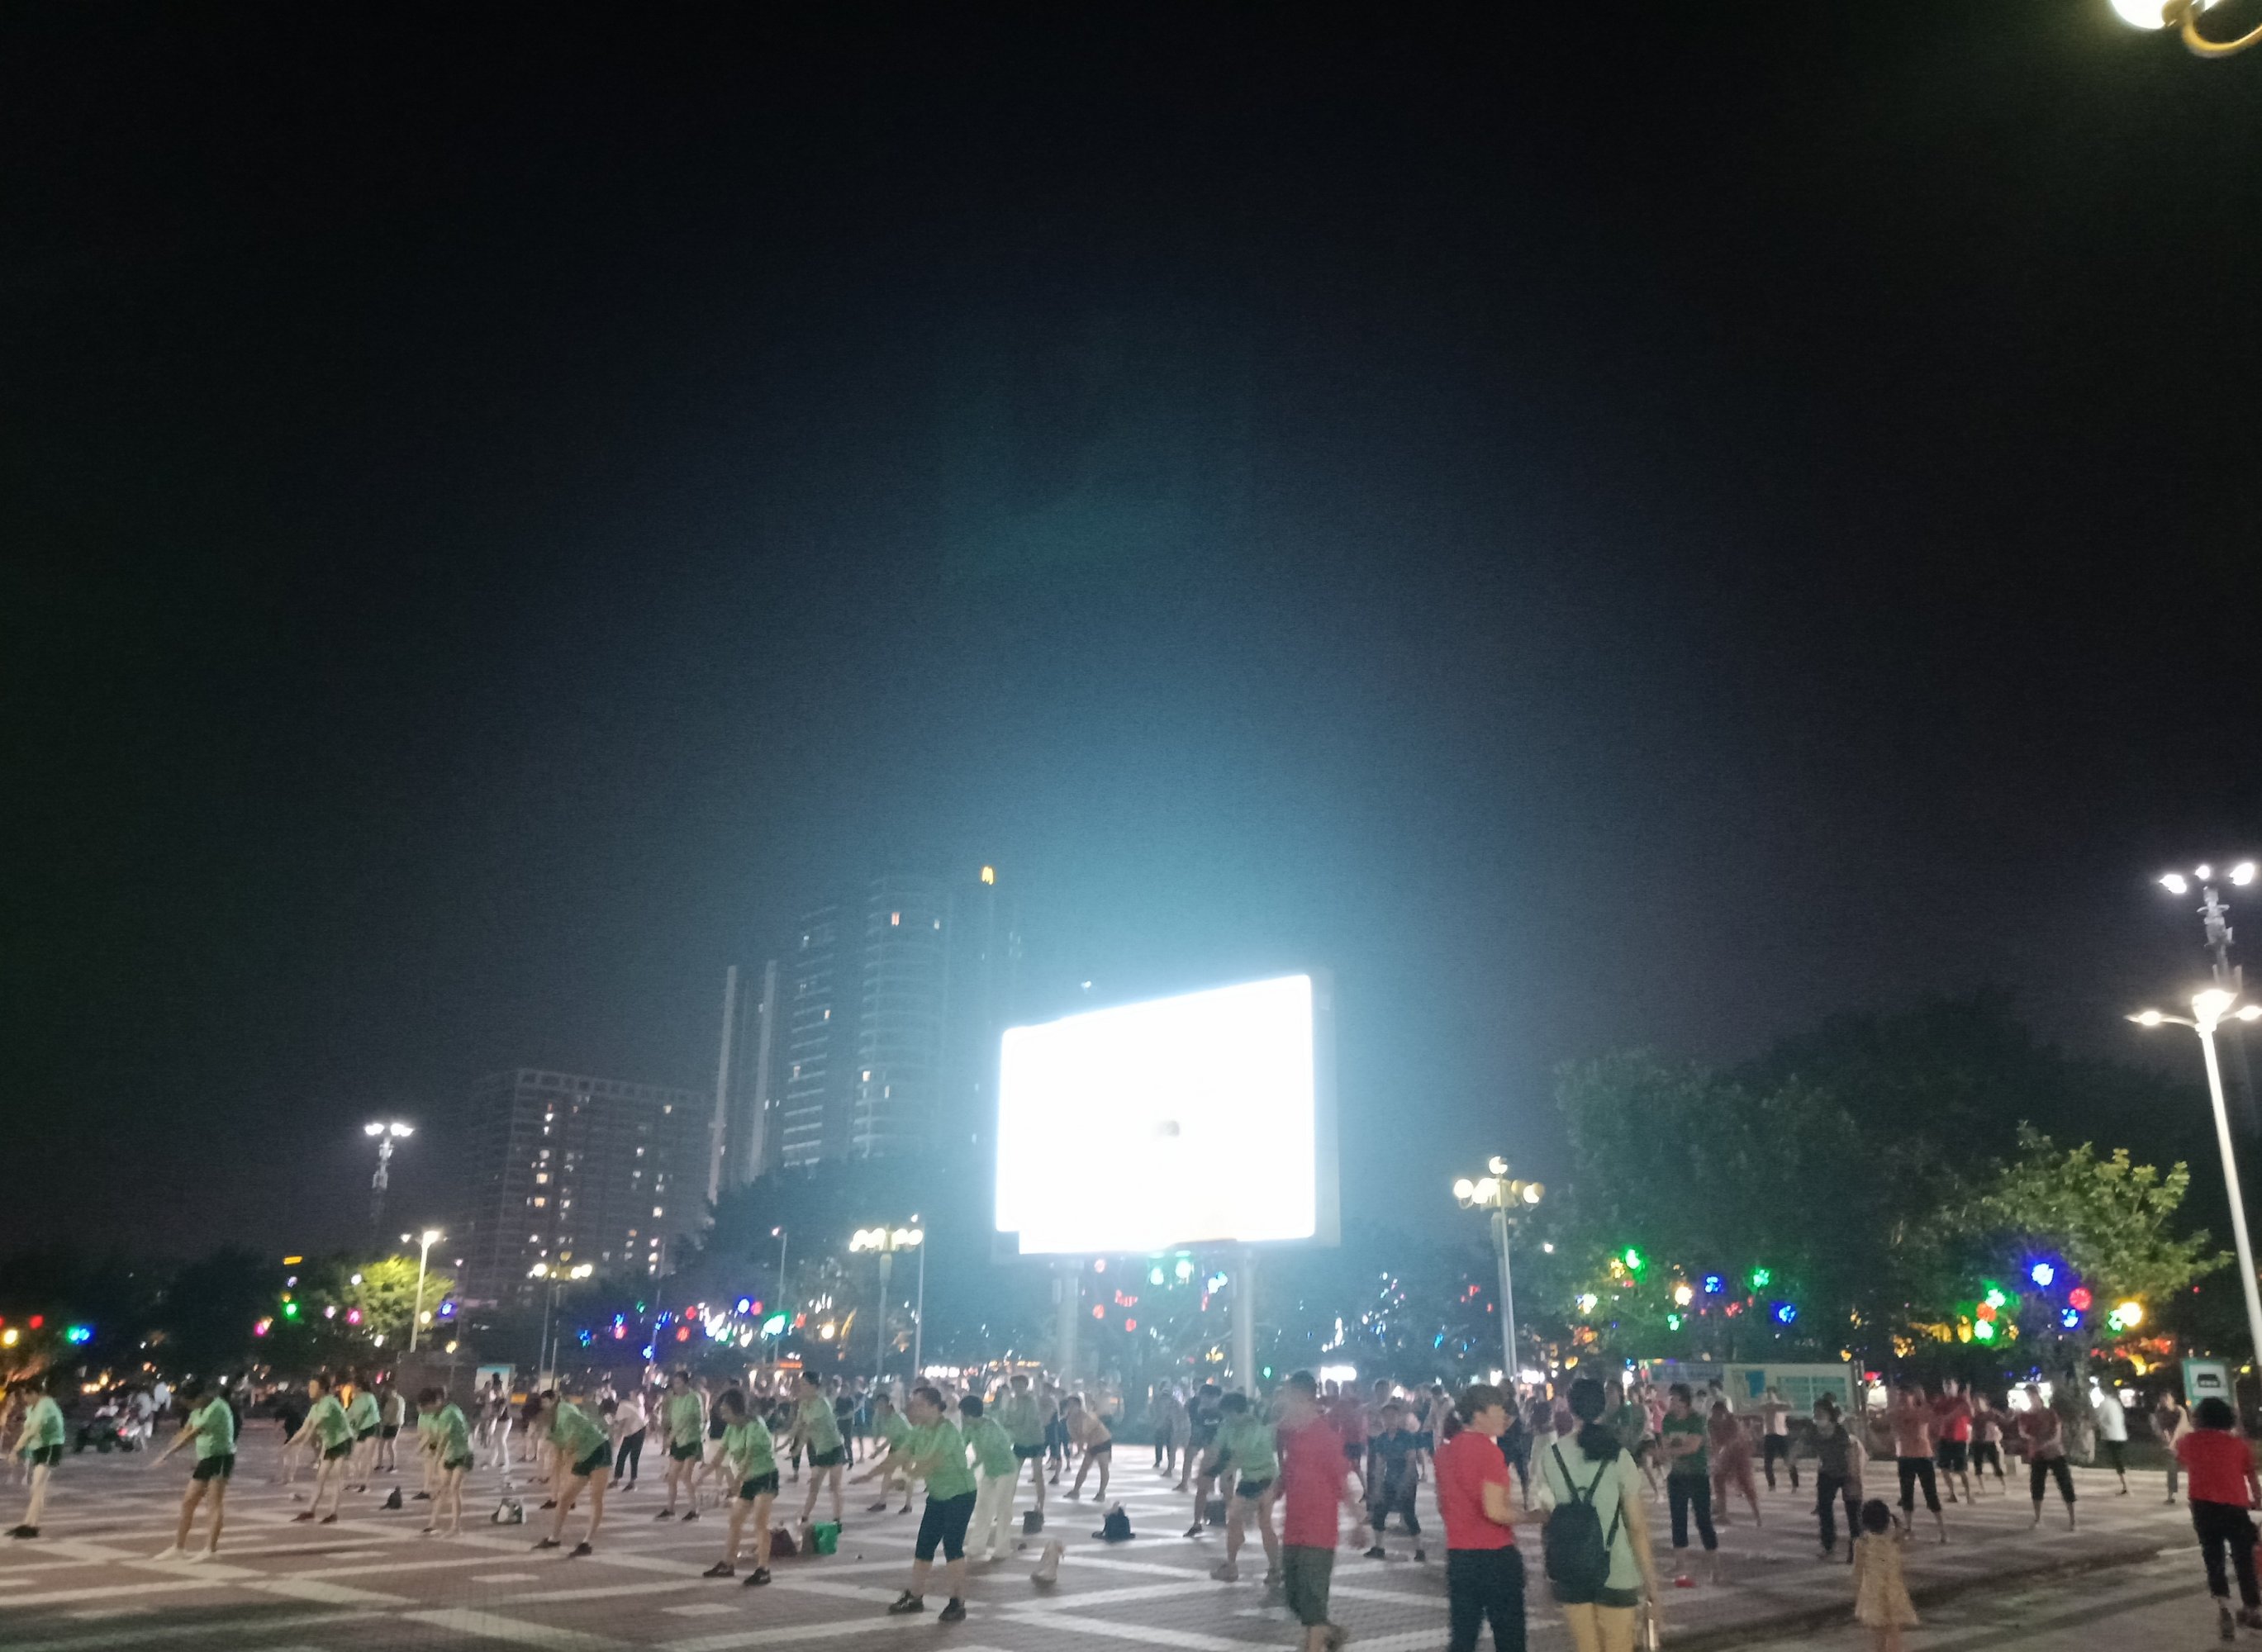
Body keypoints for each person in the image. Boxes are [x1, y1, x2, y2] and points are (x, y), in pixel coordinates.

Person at [1536, 1375, 1657, 1652]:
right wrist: (1652, 1586)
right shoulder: (1619, 1456)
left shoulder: (1551, 1456)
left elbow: (1547, 1512)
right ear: (1603, 1408)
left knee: (1586, 1647)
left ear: (1570, 1408)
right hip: (1617, 1568)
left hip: (1571, 1568)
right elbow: (1637, 1527)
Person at [864, 1385, 977, 1623]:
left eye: (919, 1405)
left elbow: (931, 1463)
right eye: (913, 1404)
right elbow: (899, 1455)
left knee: (952, 1547)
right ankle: (915, 1597)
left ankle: (958, 1602)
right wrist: (869, 1475)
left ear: (934, 1407)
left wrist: (906, 1478)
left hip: (960, 1495)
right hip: (937, 1495)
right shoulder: (919, 1430)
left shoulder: (948, 1431)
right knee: (924, 1546)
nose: (913, 1409)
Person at [1437, 1381, 1532, 1652]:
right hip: (1495, 1557)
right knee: (1510, 1639)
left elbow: (1443, 1507)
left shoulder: (1444, 1453)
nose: (1504, 1416)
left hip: (1460, 1557)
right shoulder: (1489, 1452)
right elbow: (1496, 1511)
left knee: (1463, 1638)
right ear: (1478, 1415)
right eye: (1498, 1410)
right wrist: (1535, 1517)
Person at [1276, 1371, 1358, 1652]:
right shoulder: (1292, 1436)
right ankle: (1331, 1632)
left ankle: (1315, 1641)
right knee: (1294, 1599)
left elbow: (1342, 1482)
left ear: (1304, 1398)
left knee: (1312, 1602)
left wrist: (1358, 1522)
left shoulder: (1325, 1436)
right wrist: (1271, 1495)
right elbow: (1288, 1474)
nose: (1285, 1403)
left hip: (1318, 1532)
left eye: (1289, 1397)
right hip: (1293, 1529)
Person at [2176, 1395, 2262, 1633]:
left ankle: (2224, 1608)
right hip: (2234, 1508)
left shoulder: (2189, 1442)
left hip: (2202, 1508)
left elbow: (2181, 1458)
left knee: (2213, 1556)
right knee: (2244, 1558)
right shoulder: (2239, 1445)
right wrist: (2257, 1500)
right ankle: (2252, 1608)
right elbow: (2251, 1475)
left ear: (2199, 1418)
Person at [152, 1379, 236, 1559]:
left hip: (220, 1458)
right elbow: (185, 1430)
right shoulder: (198, 1409)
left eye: (190, 1403)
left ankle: (210, 1550)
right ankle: (179, 1547)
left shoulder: (217, 1408)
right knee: (188, 1502)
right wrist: (167, 1448)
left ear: (200, 1397)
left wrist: (167, 1454)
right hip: (205, 1459)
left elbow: (191, 1435)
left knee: (214, 1503)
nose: (190, 1407)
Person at [701, 1390, 779, 1583]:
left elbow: (748, 1457)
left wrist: (737, 1482)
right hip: (748, 1478)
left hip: (765, 1476)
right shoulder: (731, 1428)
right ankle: (728, 1564)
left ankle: (763, 1569)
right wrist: (701, 1476)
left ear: (739, 1410)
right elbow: (720, 1454)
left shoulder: (755, 1425)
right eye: (722, 1412)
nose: (723, 1416)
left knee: (760, 1523)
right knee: (735, 1520)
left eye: (726, 1411)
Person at [1209, 1389, 1284, 1586]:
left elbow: (1240, 1455)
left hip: (1265, 1478)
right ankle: (1236, 1565)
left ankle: (1271, 1569)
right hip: (1250, 1478)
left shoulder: (1253, 1427)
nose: (1225, 1418)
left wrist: (1224, 1474)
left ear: (1234, 1411)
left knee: (1260, 1523)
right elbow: (1217, 1447)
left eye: (1227, 1413)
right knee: (1238, 1520)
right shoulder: (1227, 1426)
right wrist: (1210, 1469)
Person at [527, 1389, 611, 1556]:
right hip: (581, 1455)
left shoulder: (564, 1411)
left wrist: (568, 1466)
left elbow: (573, 1440)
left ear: (544, 1410)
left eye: (537, 1419)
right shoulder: (550, 1425)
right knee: (565, 1498)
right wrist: (558, 1476)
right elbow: (559, 1452)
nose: (537, 1424)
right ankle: (554, 1538)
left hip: (598, 1448)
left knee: (596, 1496)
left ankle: (587, 1542)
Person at [1658, 1384, 1717, 1583]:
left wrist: (1666, 1452)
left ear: (1684, 1401)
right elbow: (1667, 1445)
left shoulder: (1696, 1419)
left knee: (1703, 1520)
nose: (1670, 1402)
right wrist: (1667, 1452)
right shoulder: (1668, 1420)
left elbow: (1692, 1447)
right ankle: (1680, 1564)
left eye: (1674, 1399)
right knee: (1678, 1520)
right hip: (1677, 1475)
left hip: (1697, 1475)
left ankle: (1715, 1567)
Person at [1851, 1498, 1917, 1652]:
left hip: (1873, 1592)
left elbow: (1858, 1571)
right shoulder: (1893, 1541)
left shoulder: (1862, 1543)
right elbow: (1908, 1540)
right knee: (1894, 1631)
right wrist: (1899, 1525)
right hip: (1894, 1590)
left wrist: (1858, 1592)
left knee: (1878, 1634)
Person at [289, 1374, 355, 1524]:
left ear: (322, 1389)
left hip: (343, 1440)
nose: (309, 1389)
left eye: (313, 1386)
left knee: (336, 1477)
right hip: (331, 1443)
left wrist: (302, 1443)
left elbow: (316, 1425)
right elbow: (305, 1428)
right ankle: (310, 1511)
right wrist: (289, 1444)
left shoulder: (329, 1402)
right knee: (321, 1476)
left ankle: (333, 1513)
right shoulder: (316, 1407)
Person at [6, 1378, 66, 1539]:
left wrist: (16, 1450)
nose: (24, 1400)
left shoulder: (46, 1405)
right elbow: (27, 1431)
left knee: (37, 1485)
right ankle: (28, 1524)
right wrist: (16, 1450)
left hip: (50, 1447)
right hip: (38, 1448)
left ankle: (32, 1526)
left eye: (25, 1396)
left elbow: (34, 1429)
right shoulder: (31, 1408)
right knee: (37, 1487)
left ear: (34, 1393)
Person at [963, 1393, 1019, 1563]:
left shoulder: (992, 1427)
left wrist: (969, 1468)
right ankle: (976, 1546)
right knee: (983, 1507)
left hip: (1006, 1470)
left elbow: (985, 1452)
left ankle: (1002, 1548)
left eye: (963, 1414)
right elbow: (961, 1443)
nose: (962, 1418)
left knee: (1003, 1509)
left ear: (969, 1414)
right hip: (990, 1470)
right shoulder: (971, 1428)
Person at [1883, 1384, 1943, 1544]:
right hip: (1905, 1457)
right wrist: (1892, 1401)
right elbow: (1888, 1421)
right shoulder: (1895, 1413)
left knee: (1930, 1493)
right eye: (1900, 1396)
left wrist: (1922, 1400)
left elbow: (1932, 1417)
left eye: (1906, 1395)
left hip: (1923, 1456)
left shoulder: (1921, 1411)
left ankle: (1942, 1529)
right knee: (1906, 1493)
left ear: (1913, 1397)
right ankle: (1908, 1526)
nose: (1903, 1399)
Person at [2015, 1384, 2076, 1530]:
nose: (2031, 1398)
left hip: (2055, 1453)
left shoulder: (2050, 1413)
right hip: (2037, 1455)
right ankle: (2038, 1518)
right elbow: (2023, 1433)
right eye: (2028, 1396)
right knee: (2036, 1486)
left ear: (2038, 1396)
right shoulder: (2025, 1416)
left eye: (2032, 1395)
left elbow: (2057, 1436)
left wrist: (2044, 1444)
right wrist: (2026, 1435)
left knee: (2065, 1484)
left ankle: (2073, 1520)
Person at [1812, 1396, 1865, 1562]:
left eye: (1821, 1413)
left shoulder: (1842, 1432)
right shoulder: (1813, 1432)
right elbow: (1801, 1445)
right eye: (1815, 1413)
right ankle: (1828, 1545)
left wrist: (1854, 1477)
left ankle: (1856, 1550)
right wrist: (1791, 1457)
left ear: (1830, 1415)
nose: (1817, 1417)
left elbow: (1853, 1453)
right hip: (1827, 1473)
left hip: (1848, 1472)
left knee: (1853, 1512)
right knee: (1824, 1509)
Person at [415, 1387, 473, 1537]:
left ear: (436, 1402)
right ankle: (432, 1524)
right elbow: (433, 1436)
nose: (427, 1411)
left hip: (462, 1453)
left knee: (454, 1488)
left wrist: (436, 1462)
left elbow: (443, 1440)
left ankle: (456, 1526)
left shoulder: (449, 1413)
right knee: (441, 1489)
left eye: (427, 1407)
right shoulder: (437, 1414)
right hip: (449, 1454)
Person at [655, 1370, 706, 1521]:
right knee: (672, 1476)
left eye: (678, 1383)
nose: (675, 1386)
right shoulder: (675, 1400)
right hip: (678, 1441)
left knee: (686, 1476)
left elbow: (687, 1419)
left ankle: (694, 1510)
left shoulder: (694, 1398)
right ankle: (670, 1508)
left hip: (691, 1440)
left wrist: (670, 1437)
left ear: (686, 1383)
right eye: (674, 1383)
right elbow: (673, 1419)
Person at [998, 1372, 1048, 1517]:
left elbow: (1028, 1424)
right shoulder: (1011, 1401)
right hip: (1020, 1441)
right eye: (1015, 1386)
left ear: (1026, 1386)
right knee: (1012, 1475)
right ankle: (1006, 1509)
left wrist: (1012, 1429)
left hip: (1035, 1441)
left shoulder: (1030, 1402)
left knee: (1038, 1474)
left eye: (1020, 1386)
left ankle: (1040, 1507)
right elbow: (1005, 1420)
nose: (1017, 1389)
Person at [1708, 1401, 1761, 1527]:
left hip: (1740, 1455)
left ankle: (1757, 1515)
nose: (1717, 1418)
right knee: (1718, 1480)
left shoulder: (1733, 1422)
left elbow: (1734, 1442)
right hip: (1725, 1455)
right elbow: (1714, 1441)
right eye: (1715, 1415)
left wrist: (1721, 1455)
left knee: (1747, 1484)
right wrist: (1716, 1457)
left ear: (1725, 1413)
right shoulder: (1711, 1423)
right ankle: (1723, 1515)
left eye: (1720, 1415)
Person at [1928, 1380, 1970, 1506]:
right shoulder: (1941, 1402)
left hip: (1959, 1438)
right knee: (1944, 1468)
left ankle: (1968, 1494)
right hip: (1944, 1438)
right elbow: (1934, 1417)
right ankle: (1953, 1494)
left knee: (1961, 1469)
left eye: (1950, 1386)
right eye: (1946, 1386)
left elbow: (1970, 1414)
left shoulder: (1961, 1401)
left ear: (1956, 1387)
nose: (1948, 1388)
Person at [1065, 1393, 1112, 1502]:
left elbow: (1083, 1435)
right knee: (1084, 1467)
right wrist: (1080, 1449)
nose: (1071, 1408)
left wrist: (1080, 1450)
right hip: (1091, 1444)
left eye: (1073, 1405)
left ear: (1079, 1406)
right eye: (1069, 1405)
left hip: (1102, 1441)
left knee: (1103, 1466)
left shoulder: (1087, 1417)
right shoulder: (1070, 1421)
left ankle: (1101, 1493)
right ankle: (1075, 1491)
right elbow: (1076, 1437)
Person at [344, 1373, 383, 1493]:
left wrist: (353, 1427)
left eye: (353, 1385)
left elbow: (360, 1414)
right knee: (355, 1456)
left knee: (367, 1458)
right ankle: (354, 1482)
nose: (351, 1387)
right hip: (361, 1429)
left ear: (359, 1386)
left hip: (371, 1428)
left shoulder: (368, 1397)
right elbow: (350, 1414)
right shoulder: (356, 1398)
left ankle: (365, 1484)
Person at [1757, 1387, 1799, 1493]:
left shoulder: (1781, 1405)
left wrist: (1785, 1398)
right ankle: (1772, 1485)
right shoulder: (1764, 1406)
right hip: (1769, 1436)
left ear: (1775, 1395)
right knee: (1768, 1463)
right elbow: (1757, 1407)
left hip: (1781, 1435)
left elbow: (1790, 1406)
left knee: (1788, 1461)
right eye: (1768, 1393)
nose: (1769, 1395)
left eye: (1771, 1393)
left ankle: (1795, 1485)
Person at [1966, 1392, 2006, 1498]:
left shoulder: (1992, 1413)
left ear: (1985, 1402)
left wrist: (1998, 1435)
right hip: (1977, 1442)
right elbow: (1970, 1429)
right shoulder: (1974, 1416)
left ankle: (2004, 1486)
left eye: (1978, 1402)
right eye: (1975, 1403)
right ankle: (1982, 1488)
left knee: (1996, 1464)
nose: (1977, 1405)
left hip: (1990, 1441)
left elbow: (2004, 1421)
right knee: (1978, 1465)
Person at [2093, 1384, 2130, 1496]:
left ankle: (2126, 1486)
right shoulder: (2116, 1403)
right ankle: (2125, 1484)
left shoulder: (2103, 1404)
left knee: (2117, 1461)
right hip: (2121, 1435)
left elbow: (2097, 1419)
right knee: (2119, 1460)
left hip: (2111, 1436)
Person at [2157, 1389, 2193, 1503]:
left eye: (2167, 1398)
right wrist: (2169, 1442)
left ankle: (2194, 1495)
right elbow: (2163, 1428)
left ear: (2173, 1399)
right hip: (2172, 1443)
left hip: (2184, 1441)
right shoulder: (2161, 1412)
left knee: (2190, 1468)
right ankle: (2170, 1495)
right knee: (2171, 1468)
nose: (2165, 1401)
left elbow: (2180, 1428)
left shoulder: (2180, 1410)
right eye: (2163, 1398)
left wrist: (2172, 1443)